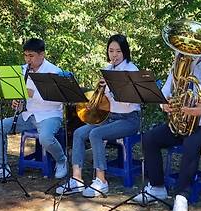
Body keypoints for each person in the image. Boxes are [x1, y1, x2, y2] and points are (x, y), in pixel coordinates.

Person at [133, 52, 201, 211]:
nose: (185, 53)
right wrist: (165, 105)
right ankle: (157, 187)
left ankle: (182, 195)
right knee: (149, 138)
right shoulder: (177, 68)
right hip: (183, 122)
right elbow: (163, 94)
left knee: (191, 143)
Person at [56, 34, 141, 197]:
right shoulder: (108, 69)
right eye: (111, 51)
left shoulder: (131, 70)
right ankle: (77, 179)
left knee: (95, 133)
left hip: (129, 119)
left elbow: (130, 102)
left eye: (118, 51)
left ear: (125, 52)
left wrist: (114, 87)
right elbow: (103, 101)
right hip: (110, 117)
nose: (114, 55)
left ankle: (101, 180)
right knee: (79, 133)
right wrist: (99, 90)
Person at [0, 38, 67, 180]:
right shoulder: (22, 71)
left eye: (31, 56)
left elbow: (57, 101)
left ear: (42, 55)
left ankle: (61, 160)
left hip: (50, 115)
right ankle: (0, 166)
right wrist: (19, 104)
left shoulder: (54, 72)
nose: (28, 60)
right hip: (29, 115)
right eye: (26, 55)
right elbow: (24, 100)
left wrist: (33, 94)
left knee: (45, 138)